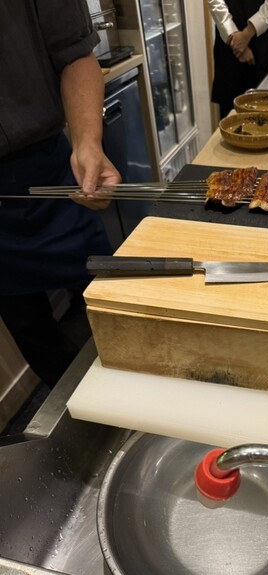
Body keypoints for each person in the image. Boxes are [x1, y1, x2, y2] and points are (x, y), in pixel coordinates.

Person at [0, 1, 121, 388]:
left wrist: (87, 143)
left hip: (47, 167)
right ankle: (73, 406)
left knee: (107, 301)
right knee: (29, 329)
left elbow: (74, 52)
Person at [208, 0, 268, 118]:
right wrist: (232, 35)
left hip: (266, 40)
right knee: (231, 119)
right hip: (229, 45)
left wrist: (247, 33)